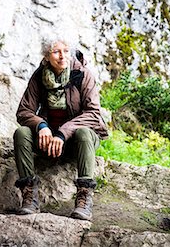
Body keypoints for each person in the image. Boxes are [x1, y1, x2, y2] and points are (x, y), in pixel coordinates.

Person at [13, 38, 108, 221]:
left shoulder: (82, 74)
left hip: (78, 141)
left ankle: (84, 198)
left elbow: (93, 113)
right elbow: (24, 111)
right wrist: (41, 126)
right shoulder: (39, 77)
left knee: (84, 133)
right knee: (22, 133)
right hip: (49, 141)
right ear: (47, 56)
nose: (62, 56)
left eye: (66, 50)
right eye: (56, 52)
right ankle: (29, 196)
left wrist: (63, 133)